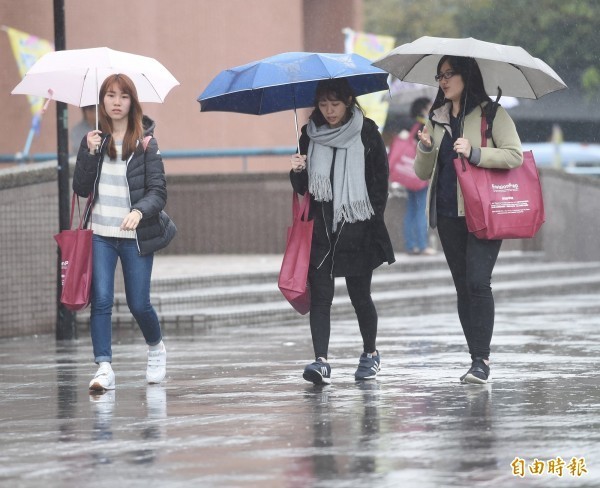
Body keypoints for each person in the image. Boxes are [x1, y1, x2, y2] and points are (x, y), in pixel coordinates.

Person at [414, 56, 522, 384]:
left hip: (483, 212)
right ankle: (475, 359)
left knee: (478, 282)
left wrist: (475, 151)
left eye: (450, 74)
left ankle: (483, 359)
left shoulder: (492, 113)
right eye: (440, 75)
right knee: (463, 287)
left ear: (467, 75)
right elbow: (421, 172)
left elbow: (514, 155)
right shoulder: (436, 118)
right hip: (447, 213)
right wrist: (426, 148)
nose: (444, 81)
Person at [289, 78, 395, 385]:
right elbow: (304, 189)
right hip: (321, 229)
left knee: (360, 295)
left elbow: (379, 184)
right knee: (321, 297)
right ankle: (321, 361)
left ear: (348, 100)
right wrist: (297, 171)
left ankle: (370, 354)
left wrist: (367, 221)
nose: (329, 111)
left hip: (357, 227)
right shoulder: (309, 135)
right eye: (323, 104)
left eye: (334, 104)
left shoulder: (367, 132)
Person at [73, 74, 169, 392]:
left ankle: (156, 348)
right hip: (101, 232)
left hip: (136, 235)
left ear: (132, 102)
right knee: (100, 299)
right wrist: (87, 153)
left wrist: (138, 211)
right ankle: (104, 367)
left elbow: (158, 192)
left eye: (123, 96)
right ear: (102, 101)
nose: (116, 102)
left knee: (138, 303)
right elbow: (81, 189)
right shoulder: (94, 142)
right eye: (110, 96)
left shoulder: (145, 143)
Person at [400, 97, 436, 255]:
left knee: (411, 209)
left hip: (407, 173)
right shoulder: (424, 126)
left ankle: (411, 245)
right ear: (423, 109)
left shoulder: (408, 124)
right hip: (420, 172)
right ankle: (422, 245)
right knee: (421, 209)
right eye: (429, 106)